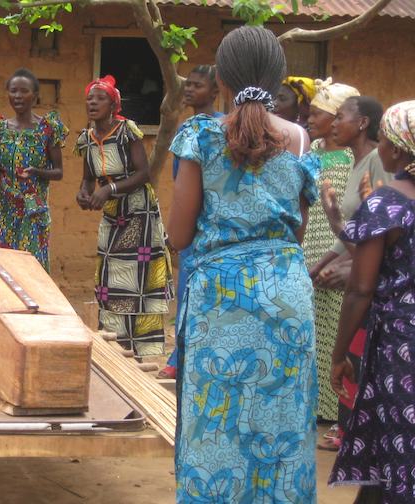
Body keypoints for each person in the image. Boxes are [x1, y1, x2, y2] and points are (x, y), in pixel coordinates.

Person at [168, 26, 319, 501]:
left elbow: (178, 235)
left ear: (223, 79)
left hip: (221, 298)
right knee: (281, 425)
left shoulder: (198, 135)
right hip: (287, 294)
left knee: (215, 428)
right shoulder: (298, 138)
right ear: (278, 77)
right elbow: (295, 231)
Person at [326, 100, 415, 503]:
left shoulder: (386, 203)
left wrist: (339, 353)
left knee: (396, 446)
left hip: (399, 349)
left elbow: (360, 289)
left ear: (395, 150)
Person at [75, 75, 172, 357]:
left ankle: (144, 349)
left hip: (139, 213)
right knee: (110, 278)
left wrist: (111, 189)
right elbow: (87, 179)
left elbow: (144, 174)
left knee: (140, 281)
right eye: (89, 98)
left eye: (100, 98)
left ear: (113, 104)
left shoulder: (126, 131)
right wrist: (84, 194)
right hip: (112, 216)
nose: (93, 102)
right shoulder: (87, 139)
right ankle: (116, 345)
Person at [299, 79, 361, 444]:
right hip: (311, 252)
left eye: (317, 114)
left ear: (338, 118)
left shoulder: (357, 159)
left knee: (340, 336)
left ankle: (339, 413)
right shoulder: (311, 153)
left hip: (342, 260)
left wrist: (339, 263)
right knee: (314, 333)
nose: (310, 119)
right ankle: (316, 407)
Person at [160, 64, 221, 379]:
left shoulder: (223, 127)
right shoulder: (186, 129)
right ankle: (180, 354)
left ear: (215, 91)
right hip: (191, 225)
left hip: (214, 224)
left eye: (197, 86)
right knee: (186, 292)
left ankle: (202, 356)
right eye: (187, 85)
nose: (189, 90)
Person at [0, 68, 67, 270]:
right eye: (13, 91)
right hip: (6, 211)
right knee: (5, 267)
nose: (17, 96)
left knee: (32, 267)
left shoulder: (47, 129)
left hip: (33, 211)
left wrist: (36, 171)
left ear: (35, 95)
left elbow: (59, 172)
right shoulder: (0, 130)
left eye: (24, 91)